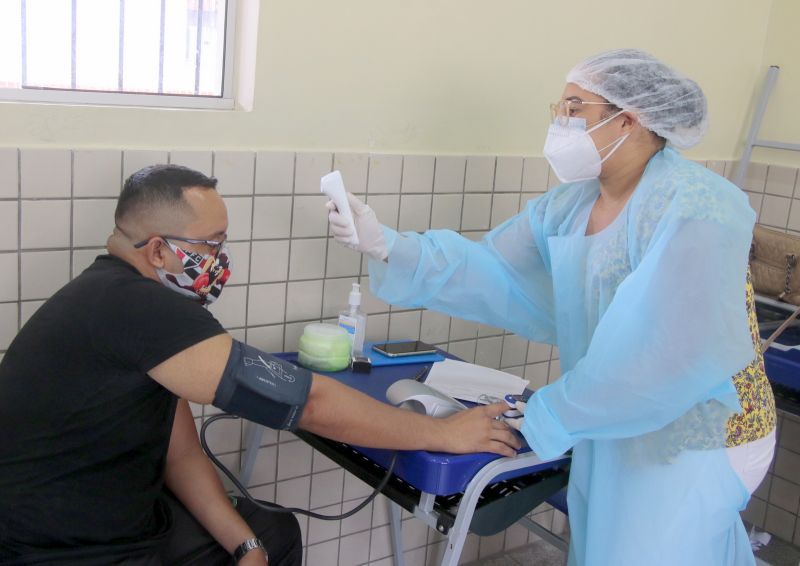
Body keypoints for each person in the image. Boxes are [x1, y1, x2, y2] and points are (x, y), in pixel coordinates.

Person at [328, 49, 776, 565]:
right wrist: (386, 244)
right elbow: (491, 267)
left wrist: (546, 415)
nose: (558, 124)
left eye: (573, 108)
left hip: (704, 432)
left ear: (627, 119)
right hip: (614, 416)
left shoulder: (699, 205)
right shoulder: (570, 206)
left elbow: (667, 355)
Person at [0, 164, 521, 565]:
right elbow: (309, 402)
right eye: (211, 245)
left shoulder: (114, 298)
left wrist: (245, 544)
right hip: (64, 545)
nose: (221, 259)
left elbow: (178, 453)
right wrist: (442, 434)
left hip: (115, 514)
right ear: (158, 250)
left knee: (271, 533)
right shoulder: (139, 308)